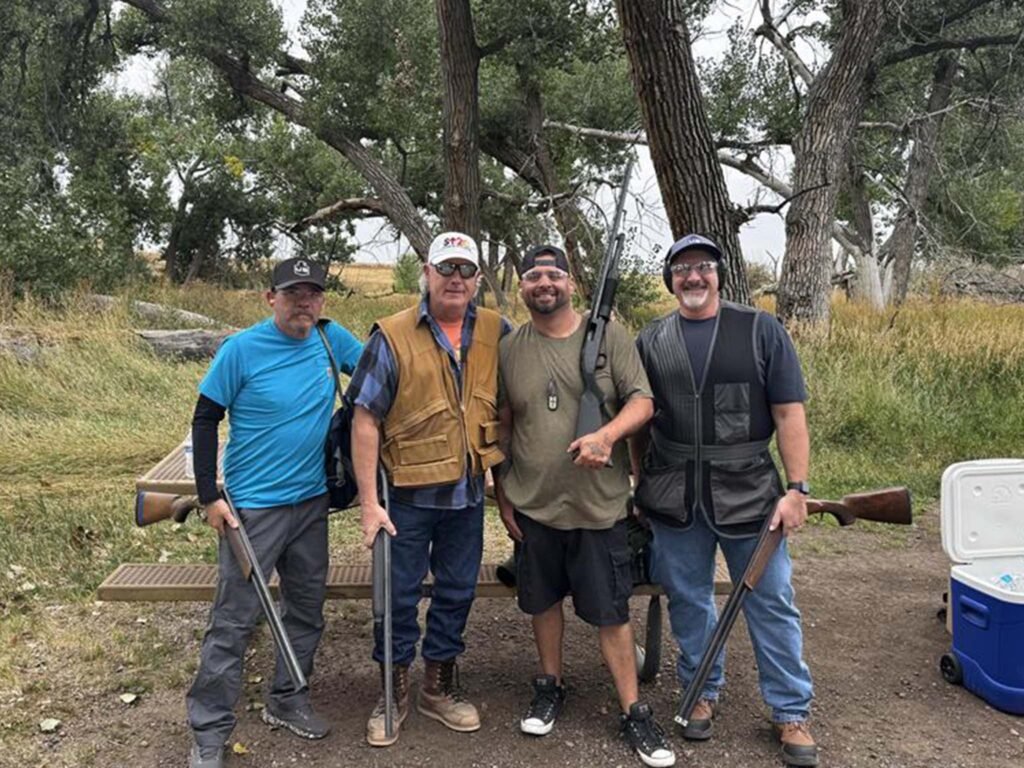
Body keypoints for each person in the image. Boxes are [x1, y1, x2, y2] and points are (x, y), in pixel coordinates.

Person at [630, 234, 818, 767]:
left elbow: (789, 414)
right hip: (673, 495)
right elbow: (640, 422)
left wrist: (797, 490)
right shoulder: (651, 340)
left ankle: (789, 711)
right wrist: (640, 480)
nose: (693, 277)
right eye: (682, 268)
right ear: (670, 278)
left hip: (751, 495)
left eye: (703, 267)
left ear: (719, 274)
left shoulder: (761, 330)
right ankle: (701, 690)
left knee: (772, 601)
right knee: (688, 599)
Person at [493, 245, 676, 768]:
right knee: (542, 603)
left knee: (610, 613)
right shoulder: (511, 347)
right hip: (536, 506)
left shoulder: (611, 338)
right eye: (532, 276)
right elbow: (505, 423)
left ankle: (634, 710)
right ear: (521, 287)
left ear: (571, 284)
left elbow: (643, 401)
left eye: (554, 274)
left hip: (600, 509)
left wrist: (606, 435)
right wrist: (503, 493)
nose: (543, 283)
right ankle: (549, 685)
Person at [185, 259, 364, 768]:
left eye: (313, 294)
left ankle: (286, 699)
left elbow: (384, 370)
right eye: (293, 294)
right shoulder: (241, 349)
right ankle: (208, 729)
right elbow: (205, 417)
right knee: (234, 620)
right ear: (271, 298)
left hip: (311, 505)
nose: (304, 302)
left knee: (306, 610)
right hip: (252, 510)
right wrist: (208, 495)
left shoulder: (332, 341)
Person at [347, 231, 511, 747]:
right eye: (447, 269)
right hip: (407, 499)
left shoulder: (496, 330)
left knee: (457, 592)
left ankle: (437, 688)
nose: (456, 279)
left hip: (466, 497)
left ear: (478, 279)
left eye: (465, 269)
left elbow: (515, 403)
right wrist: (370, 504)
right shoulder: (392, 335)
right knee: (395, 599)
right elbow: (365, 419)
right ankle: (392, 691)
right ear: (427, 273)